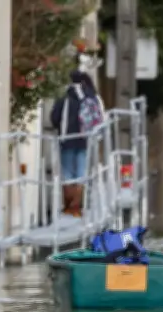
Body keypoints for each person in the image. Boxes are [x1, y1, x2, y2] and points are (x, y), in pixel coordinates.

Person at [50, 71, 104, 216]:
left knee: (67, 173)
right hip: (85, 140)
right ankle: (77, 207)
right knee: (81, 172)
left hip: (67, 139)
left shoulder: (64, 96)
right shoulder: (92, 96)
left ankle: (68, 207)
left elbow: (54, 118)